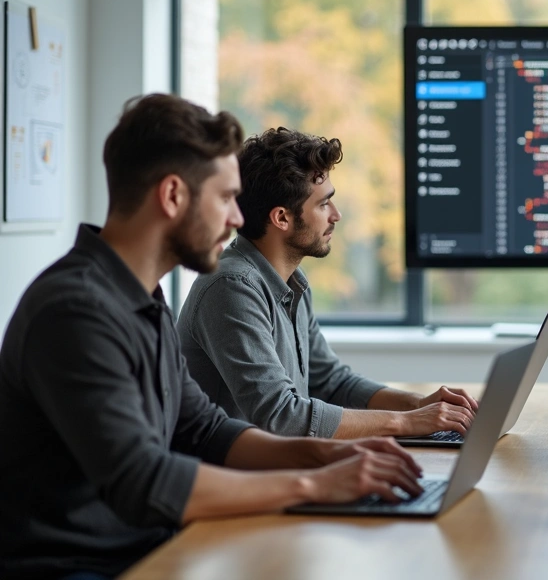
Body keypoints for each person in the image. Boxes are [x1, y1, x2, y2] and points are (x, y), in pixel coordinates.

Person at [0, 95, 423, 580]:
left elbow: (202, 429)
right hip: (80, 569)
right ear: (173, 196)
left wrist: (331, 454)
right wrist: (313, 484)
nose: (238, 218)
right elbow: (144, 481)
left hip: (151, 551)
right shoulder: (76, 311)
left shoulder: (139, 299)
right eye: (224, 198)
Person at [177, 126, 476, 440]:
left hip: (277, 463)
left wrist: (420, 405)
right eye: (323, 204)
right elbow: (281, 416)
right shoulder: (232, 287)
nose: (336, 215)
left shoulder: (292, 281)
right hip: (227, 470)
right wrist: (406, 423)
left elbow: (331, 382)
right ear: (282, 218)